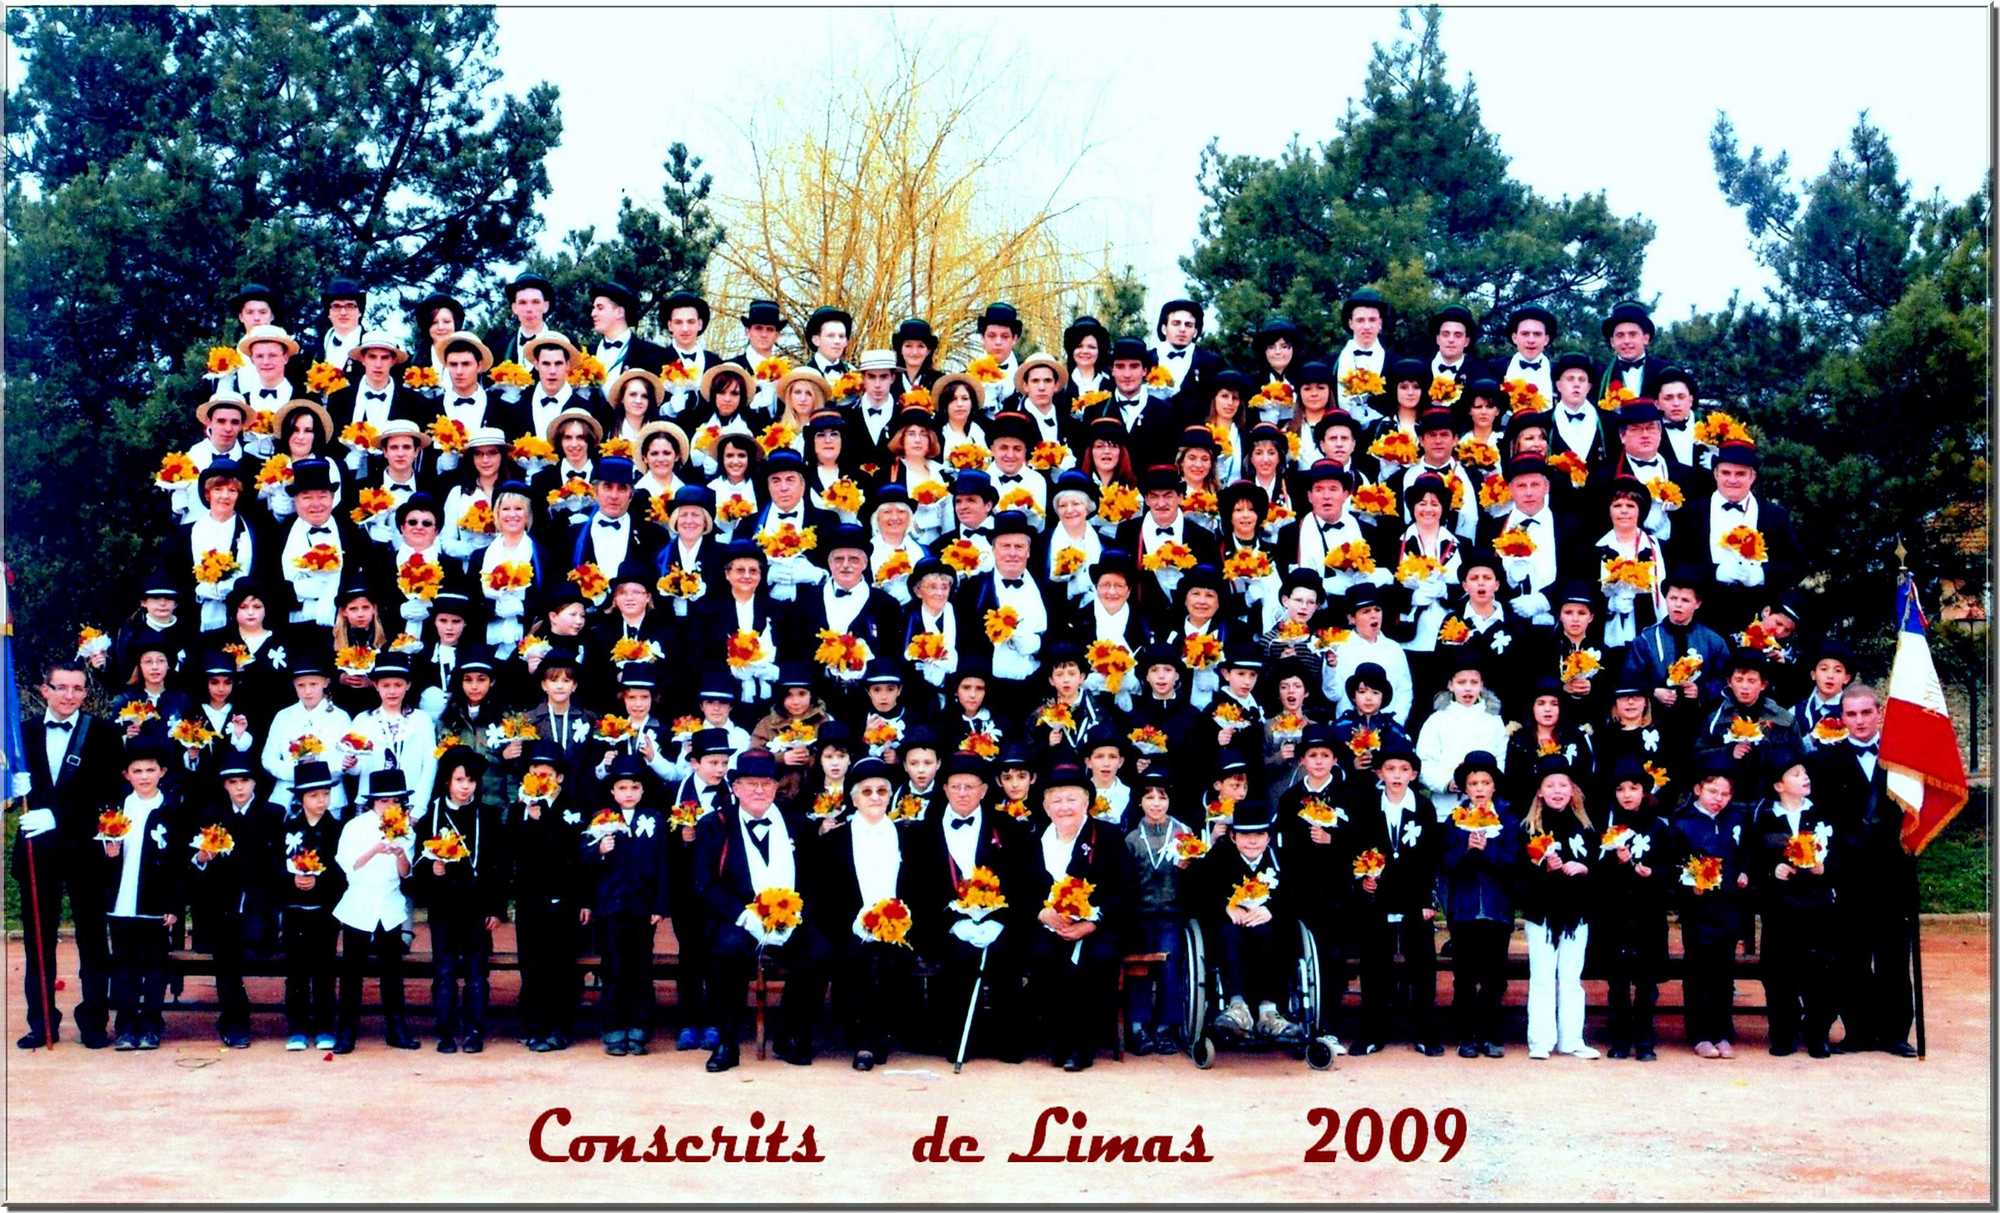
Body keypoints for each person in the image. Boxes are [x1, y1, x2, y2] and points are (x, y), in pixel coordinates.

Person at [691, 749, 831, 1072]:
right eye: (750, 783)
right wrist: (744, 916)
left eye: (766, 783)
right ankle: (727, 1042)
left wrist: (796, 914)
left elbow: (813, 879)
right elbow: (705, 883)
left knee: (819, 951)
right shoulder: (715, 825)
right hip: (740, 918)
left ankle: (790, 1034)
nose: (759, 790)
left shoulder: (797, 823)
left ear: (775, 786)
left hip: (790, 917)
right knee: (726, 950)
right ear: (736, 787)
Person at [1808, 685, 1917, 1056]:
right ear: (1841, 717)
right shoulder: (1824, 761)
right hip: (1849, 872)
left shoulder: (1902, 761)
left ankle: (1895, 1033)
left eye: (1866, 713)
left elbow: (1915, 813)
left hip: (1893, 871)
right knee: (1851, 957)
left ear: (1879, 712)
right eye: (1851, 714)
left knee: (1893, 957)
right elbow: (1821, 816)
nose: (1859, 721)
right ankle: (1859, 1031)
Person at [810, 756, 921, 1069]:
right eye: (867, 792)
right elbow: (824, 897)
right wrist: (855, 923)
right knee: (859, 957)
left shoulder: (909, 836)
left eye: (882, 791)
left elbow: (919, 887)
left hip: (900, 929)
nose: (875, 798)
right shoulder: (833, 841)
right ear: (854, 798)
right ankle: (865, 1040)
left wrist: (901, 918)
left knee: (886, 958)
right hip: (848, 929)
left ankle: (875, 1038)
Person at [1026, 761, 1132, 1071]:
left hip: (1098, 926)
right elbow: (1021, 888)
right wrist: (1042, 913)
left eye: (1071, 799)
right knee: (1041, 954)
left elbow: (1124, 891)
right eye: (1056, 800)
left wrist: (1091, 923)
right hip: (1048, 925)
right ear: (1046, 806)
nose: (1064, 807)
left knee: (1096, 959)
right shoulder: (1033, 839)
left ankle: (1083, 1045)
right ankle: (1058, 1038)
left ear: (1086, 802)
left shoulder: (1108, 837)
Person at [1340, 742, 1441, 1056]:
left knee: (1422, 965)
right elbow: (1354, 847)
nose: (1397, 775)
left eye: (1404, 769)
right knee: (1374, 965)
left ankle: (1425, 1032)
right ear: (1379, 773)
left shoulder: (1424, 807)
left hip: (1413, 896)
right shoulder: (1366, 805)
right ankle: (1373, 1032)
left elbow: (1431, 857)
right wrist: (1362, 880)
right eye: (1390, 769)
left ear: (1413, 774)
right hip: (1378, 897)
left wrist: (1428, 900)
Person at [411, 745, 508, 1055]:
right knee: (445, 971)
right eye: (459, 780)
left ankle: (475, 1029)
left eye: (471, 781)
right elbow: (417, 867)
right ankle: (445, 1031)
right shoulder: (431, 817)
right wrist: (432, 870)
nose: (465, 787)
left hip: (477, 906)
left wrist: (496, 908)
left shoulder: (488, 816)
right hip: (444, 906)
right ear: (447, 781)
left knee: (477, 972)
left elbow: (499, 867)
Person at [1184, 802, 1300, 1044]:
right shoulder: (1218, 858)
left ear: (1268, 837)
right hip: (1230, 934)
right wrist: (1225, 907)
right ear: (1233, 837)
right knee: (1229, 933)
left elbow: (1297, 897)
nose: (1252, 841)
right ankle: (1237, 1007)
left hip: (1270, 931)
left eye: (1259, 834)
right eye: (1246, 835)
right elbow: (1197, 895)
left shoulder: (1282, 860)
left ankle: (1269, 1011)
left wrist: (1271, 910)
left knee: (1277, 933)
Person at [581, 754, 673, 1056]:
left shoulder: (654, 819)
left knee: (640, 967)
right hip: (610, 906)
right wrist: (599, 850)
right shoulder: (601, 818)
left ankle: (640, 1026)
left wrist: (660, 905)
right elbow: (584, 860)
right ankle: (613, 1026)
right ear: (612, 790)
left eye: (634, 787)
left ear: (643, 790)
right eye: (622, 787)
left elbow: (663, 863)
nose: (629, 793)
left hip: (642, 906)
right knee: (614, 967)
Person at [182, 754, 274, 1048]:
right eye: (233, 782)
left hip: (260, 906)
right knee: (225, 951)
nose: (239, 787)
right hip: (223, 905)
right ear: (224, 785)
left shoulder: (272, 814)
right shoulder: (211, 815)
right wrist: (201, 858)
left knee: (253, 944)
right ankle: (235, 1021)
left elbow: (275, 867)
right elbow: (195, 865)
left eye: (244, 780)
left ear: (255, 782)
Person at [1752, 741, 1838, 1058]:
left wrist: (1824, 869)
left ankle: (1818, 1033)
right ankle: (1783, 1033)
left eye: (1805, 773)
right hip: (1780, 907)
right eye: (1796, 774)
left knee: (1819, 970)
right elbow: (1752, 859)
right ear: (1779, 785)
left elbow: (1839, 854)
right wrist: (1771, 870)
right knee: (1779, 972)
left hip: (1817, 904)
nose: (1805, 778)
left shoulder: (1821, 813)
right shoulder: (1764, 816)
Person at [97, 744, 183, 1051]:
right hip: (122, 901)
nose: (144, 776)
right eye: (137, 771)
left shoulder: (172, 810)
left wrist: (174, 904)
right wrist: (108, 854)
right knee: (124, 966)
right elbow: (100, 856)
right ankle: (125, 1025)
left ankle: (151, 1024)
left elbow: (178, 864)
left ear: (162, 772)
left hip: (155, 902)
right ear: (126, 775)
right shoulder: (116, 810)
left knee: (155, 965)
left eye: (150, 770)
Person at [1671, 751, 1754, 1058]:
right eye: (1712, 791)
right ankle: (1700, 1033)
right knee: (1698, 970)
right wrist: (1688, 883)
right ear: (1698, 789)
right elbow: (1674, 863)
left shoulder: (1737, 819)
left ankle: (1722, 1031)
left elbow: (1747, 852)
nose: (1718, 799)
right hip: (1698, 908)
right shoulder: (1683, 822)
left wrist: (1744, 872)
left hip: (1728, 906)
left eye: (1725, 794)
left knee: (1723, 970)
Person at [331, 768, 421, 1053]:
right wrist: (375, 849)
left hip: (390, 905)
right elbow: (349, 865)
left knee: (392, 971)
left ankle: (397, 1029)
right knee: (352, 971)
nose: (389, 806)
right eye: (383, 801)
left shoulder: (405, 828)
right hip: (359, 903)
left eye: (395, 801)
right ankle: (347, 1032)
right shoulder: (355, 826)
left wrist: (400, 853)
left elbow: (405, 873)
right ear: (372, 802)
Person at [1518, 753, 1600, 1060]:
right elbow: (1518, 875)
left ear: (1572, 789)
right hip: (1542, 914)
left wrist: (1585, 868)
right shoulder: (1529, 828)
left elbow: (1599, 868)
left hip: (1576, 914)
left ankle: (1572, 1039)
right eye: (1550, 785)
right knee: (1542, 977)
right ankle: (1540, 1040)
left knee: (1570, 977)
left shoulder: (1586, 827)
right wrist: (1544, 868)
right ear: (1540, 791)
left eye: (1563, 785)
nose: (1557, 791)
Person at [1436, 750, 1517, 1058]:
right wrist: (1467, 850)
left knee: (1495, 976)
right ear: (1465, 788)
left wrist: (1487, 851)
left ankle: (1491, 1034)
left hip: (1497, 910)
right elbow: (1446, 863)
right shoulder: (1455, 820)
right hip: (1465, 910)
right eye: (1473, 783)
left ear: (1494, 786)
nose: (1480, 789)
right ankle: (1466, 1035)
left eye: (1485, 782)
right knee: (1465, 975)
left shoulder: (1507, 819)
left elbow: (1513, 862)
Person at [511, 740, 586, 1052]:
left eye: (548, 774)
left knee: (561, 964)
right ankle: (534, 1024)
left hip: (565, 898)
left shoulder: (574, 807)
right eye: (535, 773)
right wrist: (529, 818)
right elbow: (513, 850)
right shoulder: (520, 808)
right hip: (531, 897)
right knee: (532, 963)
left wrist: (584, 900)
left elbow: (580, 856)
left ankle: (560, 1026)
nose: (541, 779)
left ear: (560, 777)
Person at [277, 760, 347, 1051]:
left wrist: (320, 881)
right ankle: (296, 1027)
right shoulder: (288, 828)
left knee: (324, 970)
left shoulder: (337, 829)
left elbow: (343, 872)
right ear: (301, 797)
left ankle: (324, 1026)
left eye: (325, 794)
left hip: (324, 912)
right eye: (314, 795)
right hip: (294, 911)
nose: (321, 801)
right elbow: (273, 867)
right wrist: (291, 880)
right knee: (296, 969)